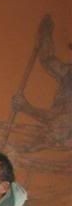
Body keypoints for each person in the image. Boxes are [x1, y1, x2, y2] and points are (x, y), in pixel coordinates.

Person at [11, 15, 72, 146]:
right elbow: (47, 59)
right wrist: (45, 36)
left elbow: (60, 121)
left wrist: (26, 108)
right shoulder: (68, 72)